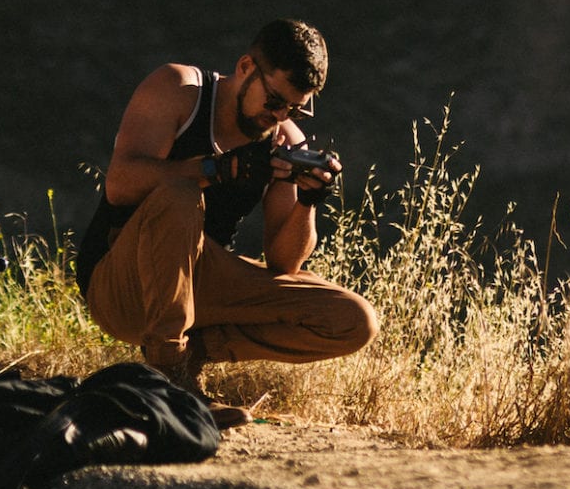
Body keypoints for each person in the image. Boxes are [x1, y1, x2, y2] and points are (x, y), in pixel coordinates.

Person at [75, 20, 376, 398]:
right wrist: (216, 169)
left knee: (352, 320)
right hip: (120, 281)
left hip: (199, 280)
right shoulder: (179, 90)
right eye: (274, 101)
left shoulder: (282, 139)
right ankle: (169, 379)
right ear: (246, 67)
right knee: (179, 197)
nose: (280, 116)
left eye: (295, 110)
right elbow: (119, 187)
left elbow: (285, 264)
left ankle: (190, 356)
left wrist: (308, 201)